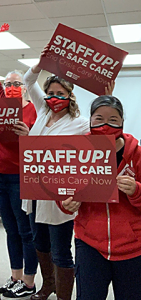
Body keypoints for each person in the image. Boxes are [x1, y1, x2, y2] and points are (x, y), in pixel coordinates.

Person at [23, 45, 101, 300]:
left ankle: (63, 295)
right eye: (51, 93)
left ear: (70, 96)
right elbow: (28, 79)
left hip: (60, 197)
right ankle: (49, 285)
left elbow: (101, 141)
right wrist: (41, 62)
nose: (54, 97)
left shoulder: (80, 123)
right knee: (39, 244)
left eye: (60, 93)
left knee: (60, 250)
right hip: (35, 193)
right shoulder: (42, 113)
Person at [59, 95, 141, 300]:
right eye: (98, 119)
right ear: (90, 120)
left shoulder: (137, 154)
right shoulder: (76, 151)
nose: (105, 124)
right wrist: (66, 203)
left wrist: (136, 190)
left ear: (122, 121)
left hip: (132, 246)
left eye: (113, 119)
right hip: (89, 244)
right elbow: (63, 190)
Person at [0, 32, 38, 300]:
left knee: (25, 230)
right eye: (8, 83)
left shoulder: (34, 110)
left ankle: (29, 283)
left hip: (21, 178)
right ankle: (15, 277)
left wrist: (28, 135)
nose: (12, 87)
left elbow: (44, 146)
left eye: (17, 83)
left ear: (25, 87)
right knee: (10, 229)